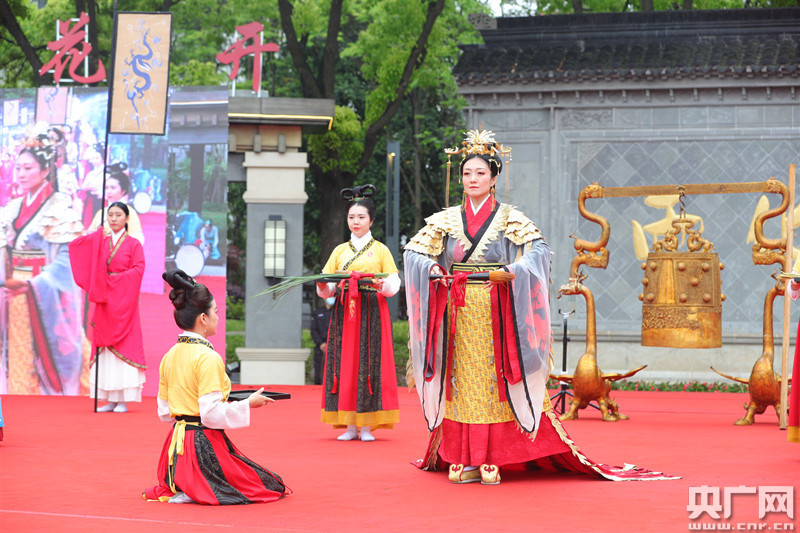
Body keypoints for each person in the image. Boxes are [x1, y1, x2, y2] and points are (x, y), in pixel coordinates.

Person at [404, 129, 676, 484]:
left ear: (494, 177)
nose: (473, 179)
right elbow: (413, 253)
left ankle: (491, 455)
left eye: (481, 173)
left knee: (495, 379)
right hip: (457, 308)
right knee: (461, 379)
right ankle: (462, 454)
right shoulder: (445, 220)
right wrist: (434, 268)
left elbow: (539, 252)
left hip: (496, 309)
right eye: (467, 173)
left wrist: (512, 271)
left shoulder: (509, 218)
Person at [143, 269, 290, 505]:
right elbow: (210, 415)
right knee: (271, 485)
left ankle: (184, 483)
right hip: (202, 447)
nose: (218, 318)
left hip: (175, 449)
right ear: (203, 318)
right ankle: (197, 486)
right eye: (216, 313)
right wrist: (247, 404)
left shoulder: (170, 355)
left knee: (264, 482)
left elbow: (164, 412)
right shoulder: (208, 357)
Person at [0, 128, 85, 395]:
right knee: (14, 352)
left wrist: (34, 284)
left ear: (45, 170)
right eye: (18, 168)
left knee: (44, 353)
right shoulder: (13, 207)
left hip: (40, 291)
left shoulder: (60, 207)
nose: (21, 174)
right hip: (11, 290)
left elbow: (67, 260)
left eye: (28, 168)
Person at [316, 185, 400, 442]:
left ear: (371, 220)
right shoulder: (340, 251)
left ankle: (367, 425)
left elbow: (394, 282)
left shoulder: (381, 250)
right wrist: (322, 285)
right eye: (352, 217)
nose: (356, 222)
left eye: (361, 217)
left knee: (369, 361)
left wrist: (380, 285)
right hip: (345, 312)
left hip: (371, 308)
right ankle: (350, 424)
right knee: (345, 362)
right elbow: (328, 285)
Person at [69, 201, 146, 413]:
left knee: (123, 344)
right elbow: (80, 249)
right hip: (105, 300)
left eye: (118, 215)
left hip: (124, 300)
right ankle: (109, 398)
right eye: (110, 215)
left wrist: (113, 282)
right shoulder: (100, 242)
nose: (113, 219)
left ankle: (122, 399)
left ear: (127, 219)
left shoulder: (133, 245)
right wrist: (95, 238)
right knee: (104, 348)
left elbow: (138, 270)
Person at [88, 163, 145, 244]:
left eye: (113, 188)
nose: (109, 191)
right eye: (106, 188)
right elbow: (90, 236)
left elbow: (137, 240)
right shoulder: (101, 213)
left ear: (123, 190)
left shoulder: (129, 212)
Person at [310, 296, 335, 385]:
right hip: (321, 346)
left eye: (333, 296)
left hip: (334, 346)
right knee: (319, 368)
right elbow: (314, 330)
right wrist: (321, 343)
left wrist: (332, 343)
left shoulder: (338, 312)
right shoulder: (318, 312)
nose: (331, 298)